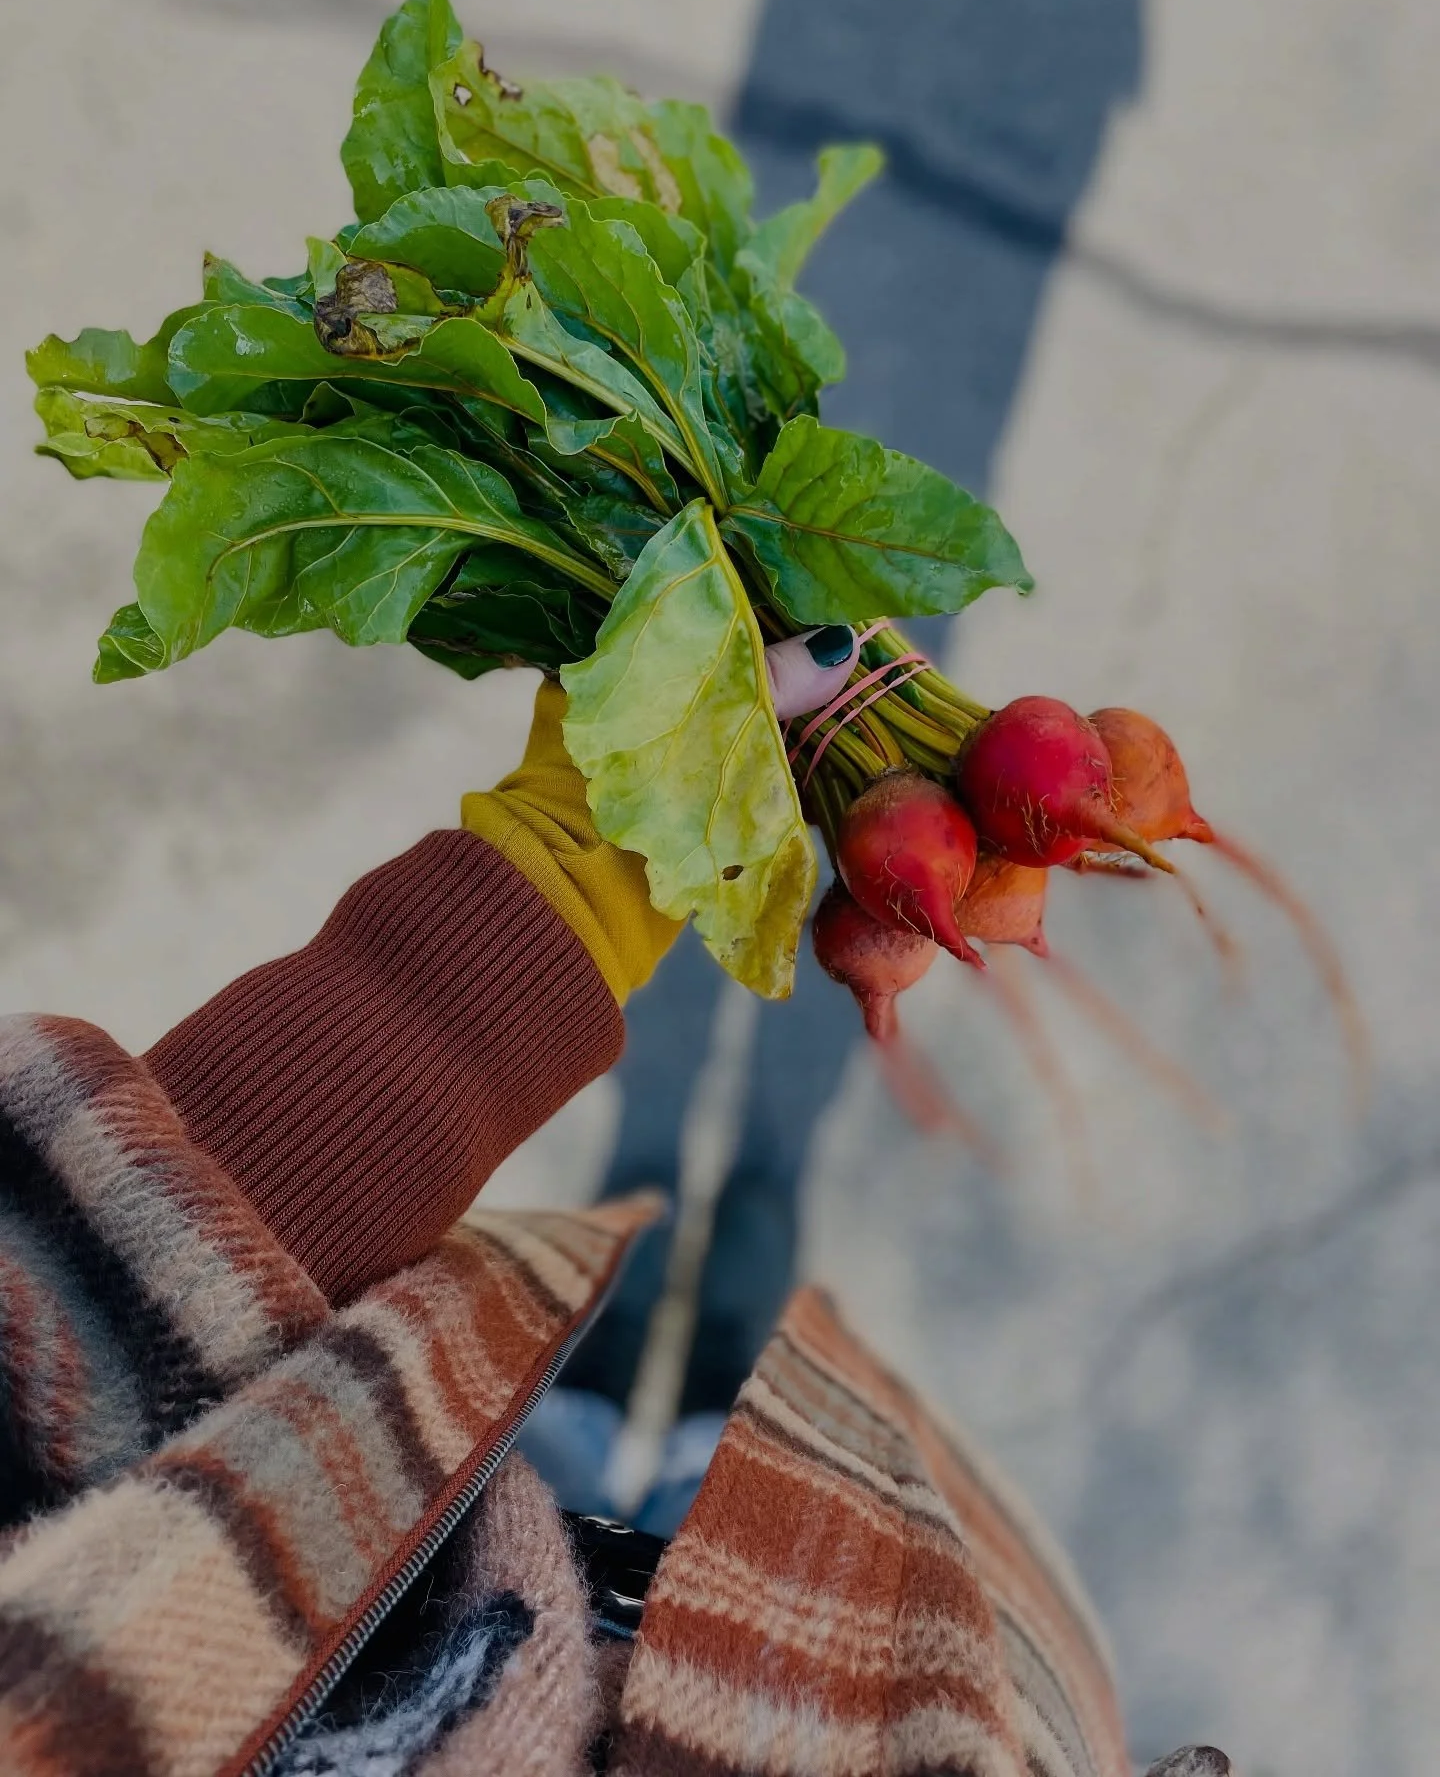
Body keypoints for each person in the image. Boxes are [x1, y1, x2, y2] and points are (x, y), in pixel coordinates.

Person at [0, 643, 1230, 1777]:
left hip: (434, 1504)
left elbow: (47, 1364)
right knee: (751, 1362)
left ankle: (613, 1371)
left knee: (556, 1398)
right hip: (875, 1612)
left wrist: (554, 890)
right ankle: (718, 1389)